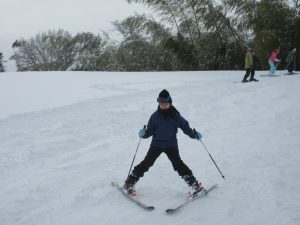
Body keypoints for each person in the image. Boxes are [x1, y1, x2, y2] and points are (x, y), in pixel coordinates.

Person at [123, 89, 204, 197]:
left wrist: (194, 134)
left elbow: (186, 128)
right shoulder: (155, 116)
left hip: (171, 145)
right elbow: (149, 132)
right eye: (160, 103)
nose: (163, 105)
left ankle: (194, 185)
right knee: (146, 163)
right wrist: (143, 134)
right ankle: (129, 182)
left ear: (170, 103)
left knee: (178, 164)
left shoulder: (175, 116)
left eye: (165, 103)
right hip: (156, 144)